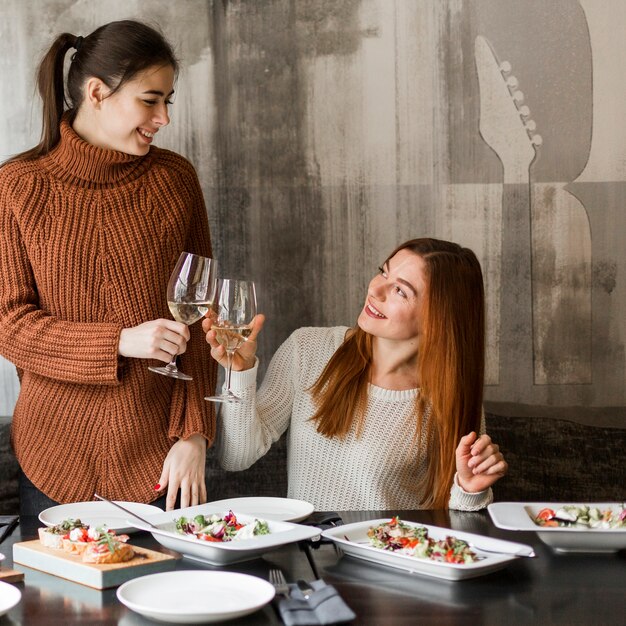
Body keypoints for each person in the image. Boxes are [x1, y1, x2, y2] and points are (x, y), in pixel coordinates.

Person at [0, 20, 216, 515]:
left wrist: (196, 434)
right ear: (97, 92)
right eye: (150, 99)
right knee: (59, 597)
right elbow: (8, 325)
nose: (163, 117)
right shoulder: (17, 186)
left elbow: (202, 317)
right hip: (52, 456)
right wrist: (118, 341)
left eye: (169, 100)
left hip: (165, 463)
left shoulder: (174, 180)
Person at [203, 238, 507, 510]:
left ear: (437, 319)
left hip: (389, 564)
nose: (375, 290)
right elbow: (236, 457)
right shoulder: (308, 349)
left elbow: (448, 528)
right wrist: (238, 372)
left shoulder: (448, 397)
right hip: (309, 561)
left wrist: (469, 490)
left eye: (400, 290)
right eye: (383, 272)